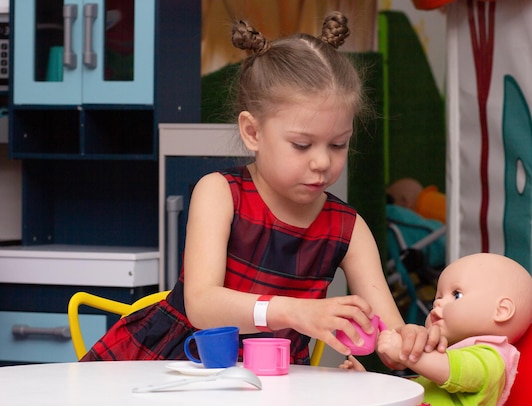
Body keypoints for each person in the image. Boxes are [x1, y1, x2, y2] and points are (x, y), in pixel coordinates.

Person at [81, 11, 433, 368]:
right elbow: (201, 306)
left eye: (338, 144)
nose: (322, 162)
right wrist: (297, 312)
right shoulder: (220, 193)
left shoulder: (348, 228)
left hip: (270, 379)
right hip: (172, 363)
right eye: (301, 144)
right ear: (253, 132)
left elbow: (392, 334)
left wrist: (408, 342)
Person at [342, 253, 532, 406]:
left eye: (456, 295)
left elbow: (450, 370)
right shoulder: (439, 358)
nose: (437, 303)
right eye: (438, 296)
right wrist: (367, 384)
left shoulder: (491, 357)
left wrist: (404, 353)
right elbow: (405, 401)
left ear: (501, 311)